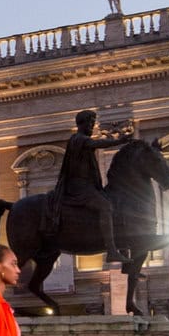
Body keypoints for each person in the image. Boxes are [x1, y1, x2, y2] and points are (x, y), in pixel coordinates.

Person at [54, 110, 121, 260]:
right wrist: (119, 141)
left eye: (93, 123)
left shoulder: (80, 139)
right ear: (82, 124)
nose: (92, 126)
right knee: (105, 206)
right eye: (90, 123)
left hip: (87, 185)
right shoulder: (79, 139)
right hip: (79, 187)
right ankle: (111, 250)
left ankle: (121, 249)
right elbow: (97, 143)